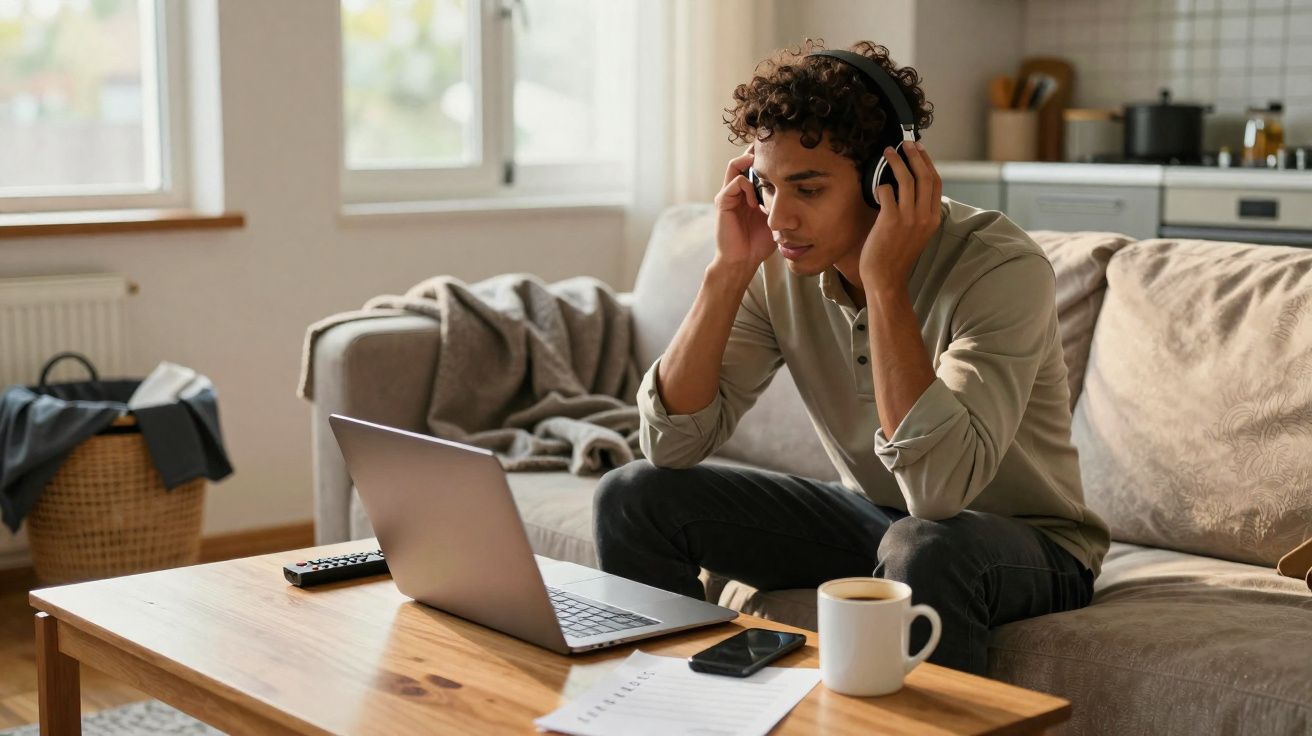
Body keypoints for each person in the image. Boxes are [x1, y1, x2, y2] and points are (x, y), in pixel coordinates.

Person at [592, 39, 1110, 675]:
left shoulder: (999, 268)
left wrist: (885, 283)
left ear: (883, 179)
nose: (779, 216)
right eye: (765, 185)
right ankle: (678, 707)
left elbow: (939, 493)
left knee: (923, 547)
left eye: (806, 188)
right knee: (631, 495)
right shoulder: (774, 266)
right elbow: (669, 446)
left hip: (1028, 544)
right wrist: (728, 270)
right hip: (881, 523)